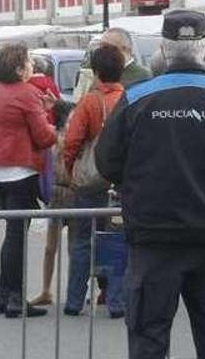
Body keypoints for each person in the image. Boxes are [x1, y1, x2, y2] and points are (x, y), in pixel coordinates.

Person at [95, 11, 205, 358]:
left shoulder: (137, 99)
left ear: (163, 50)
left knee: (149, 338)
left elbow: (107, 162)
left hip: (155, 238)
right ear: (204, 50)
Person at [0, 43, 58, 319]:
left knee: (12, 233)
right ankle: (14, 297)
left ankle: (4, 294)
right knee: (16, 235)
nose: (32, 66)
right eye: (29, 62)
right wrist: (51, 119)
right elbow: (44, 137)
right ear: (18, 67)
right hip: (18, 170)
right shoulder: (26, 93)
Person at [48, 45, 128, 317]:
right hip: (122, 184)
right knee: (117, 242)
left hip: (90, 183)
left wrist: (71, 171)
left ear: (95, 72)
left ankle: (74, 300)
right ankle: (116, 301)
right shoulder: (129, 98)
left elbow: (71, 142)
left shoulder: (89, 102)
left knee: (82, 242)